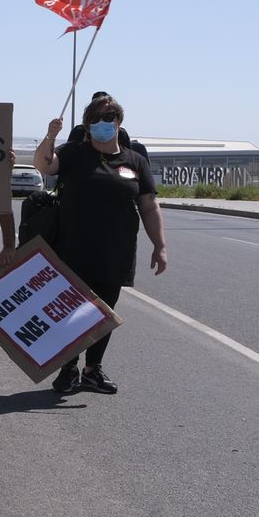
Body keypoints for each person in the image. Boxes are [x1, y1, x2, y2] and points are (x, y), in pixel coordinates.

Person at [34, 93, 167, 395]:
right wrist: (50, 136)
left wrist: (159, 245)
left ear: (119, 122)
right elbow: (43, 165)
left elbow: (148, 206)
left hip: (115, 252)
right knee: (71, 312)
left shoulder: (135, 161)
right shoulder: (73, 153)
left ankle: (93, 370)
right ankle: (67, 369)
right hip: (72, 250)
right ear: (86, 124)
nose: (103, 123)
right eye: (96, 119)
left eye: (109, 118)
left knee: (102, 313)